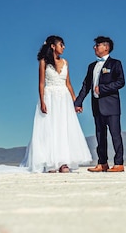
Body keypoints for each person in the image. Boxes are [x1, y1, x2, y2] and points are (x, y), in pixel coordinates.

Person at [21, 35, 93, 173]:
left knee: (63, 129)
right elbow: (41, 83)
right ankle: (51, 163)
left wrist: (76, 101)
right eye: (61, 44)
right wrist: (42, 101)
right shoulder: (43, 62)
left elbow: (68, 84)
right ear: (53, 46)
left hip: (64, 99)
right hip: (50, 97)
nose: (64, 47)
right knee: (49, 129)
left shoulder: (66, 62)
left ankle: (63, 162)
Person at [74, 36, 125, 172]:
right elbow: (86, 86)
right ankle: (102, 163)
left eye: (97, 45)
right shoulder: (92, 66)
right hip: (96, 106)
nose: (94, 47)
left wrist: (103, 88)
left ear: (106, 47)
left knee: (115, 134)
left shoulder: (115, 63)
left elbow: (121, 82)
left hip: (111, 105)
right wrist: (78, 102)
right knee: (99, 135)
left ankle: (119, 163)